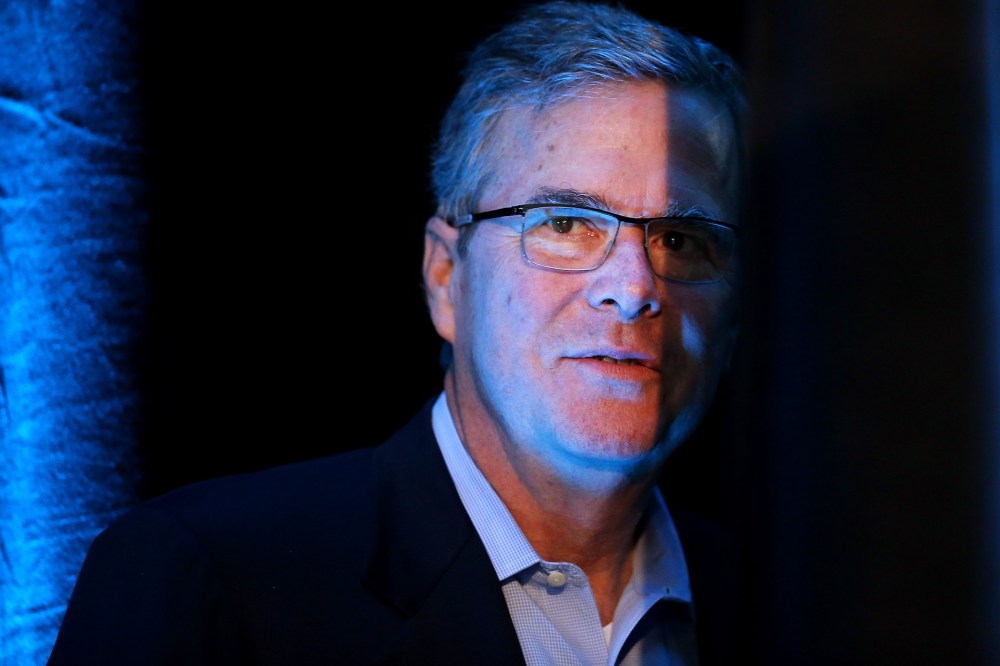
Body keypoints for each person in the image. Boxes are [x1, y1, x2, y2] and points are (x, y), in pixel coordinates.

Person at [47, 1, 749, 664]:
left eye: (683, 240)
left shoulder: (791, 605)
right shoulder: (203, 579)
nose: (633, 290)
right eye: (564, 223)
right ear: (446, 277)